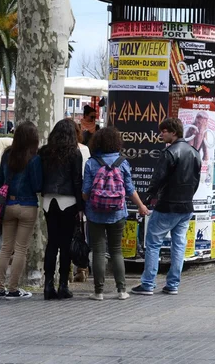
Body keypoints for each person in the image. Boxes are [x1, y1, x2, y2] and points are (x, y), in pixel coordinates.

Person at [131, 118, 202, 296]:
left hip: (167, 205)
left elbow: (158, 179)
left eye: (164, 131)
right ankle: (173, 284)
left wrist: (147, 198)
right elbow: (196, 180)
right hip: (186, 206)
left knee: (153, 243)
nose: (161, 134)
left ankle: (148, 283)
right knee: (178, 244)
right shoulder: (194, 152)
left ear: (173, 132)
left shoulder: (170, 153)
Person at [83, 127, 149, 301]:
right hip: (118, 212)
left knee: (98, 251)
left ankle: (98, 292)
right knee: (116, 251)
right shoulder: (122, 162)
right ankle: (122, 290)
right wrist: (141, 205)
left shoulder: (91, 163)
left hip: (95, 213)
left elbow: (85, 192)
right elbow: (130, 189)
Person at [0, 121, 42, 299]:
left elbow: (0, 182)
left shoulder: (7, 155)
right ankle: (13, 289)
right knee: (21, 249)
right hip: (28, 206)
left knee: (6, 247)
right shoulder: (34, 158)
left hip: (8, 206)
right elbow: (37, 185)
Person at [39, 119, 84, 300]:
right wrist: (81, 207)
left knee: (52, 243)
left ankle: (48, 285)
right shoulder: (75, 153)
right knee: (65, 245)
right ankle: (63, 285)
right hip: (68, 201)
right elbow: (77, 181)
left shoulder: (44, 152)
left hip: (48, 200)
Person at [71, 120, 91, 283]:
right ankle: (82, 267)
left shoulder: (57, 151)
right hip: (83, 196)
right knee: (81, 234)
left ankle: (67, 269)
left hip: (64, 197)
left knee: (64, 235)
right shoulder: (84, 150)